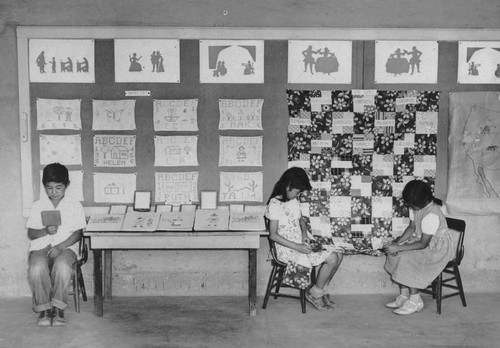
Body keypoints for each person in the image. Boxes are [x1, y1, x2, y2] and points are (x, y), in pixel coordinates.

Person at [265, 167, 344, 311]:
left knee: (339, 254)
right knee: (332, 258)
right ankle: (314, 294)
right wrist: (297, 246)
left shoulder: (293, 201)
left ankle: (320, 290)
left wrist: (304, 234)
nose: (298, 195)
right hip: (286, 248)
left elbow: (301, 220)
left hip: (299, 242)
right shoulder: (274, 205)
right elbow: (273, 235)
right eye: (297, 192)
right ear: (288, 186)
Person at [383, 180, 459, 315]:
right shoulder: (415, 207)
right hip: (424, 241)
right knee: (394, 254)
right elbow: (412, 227)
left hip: (438, 248)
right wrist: (398, 244)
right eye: (410, 205)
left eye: (413, 205)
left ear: (425, 201)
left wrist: (400, 248)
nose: (411, 207)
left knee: (408, 259)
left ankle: (415, 301)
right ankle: (405, 295)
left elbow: (424, 244)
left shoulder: (432, 215)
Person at [26, 163, 87, 326]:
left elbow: (78, 233)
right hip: (41, 246)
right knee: (37, 267)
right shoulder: (38, 205)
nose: (54, 192)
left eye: (58, 188)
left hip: (66, 246)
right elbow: (31, 233)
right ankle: (44, 309)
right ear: (44, 186)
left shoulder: (75, 205)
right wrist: (45, 231)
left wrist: (60, 247)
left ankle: (58, 308)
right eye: (49, 188)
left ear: (66, 185)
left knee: (62, 266)